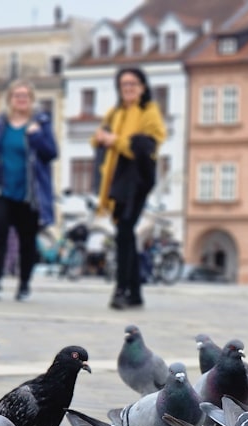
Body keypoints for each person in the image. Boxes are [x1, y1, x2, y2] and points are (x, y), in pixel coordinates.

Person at [0, 79, 58, 302]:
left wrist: (37, 136)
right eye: (17, 95)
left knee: (26, 241)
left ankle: (24, 285)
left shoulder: (41, 123)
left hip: (30, 193)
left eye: (25, 96)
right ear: (10, 99)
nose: (21, 99)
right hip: (2, 189)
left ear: (31, 100)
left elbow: (51, 154)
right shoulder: (1, 125)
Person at [93, 66, 166, 310]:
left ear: (142, 87)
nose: (128, 88)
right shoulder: (115, 112)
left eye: (133, 84)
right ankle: (135, 293)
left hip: (137, 180)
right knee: (124, 234)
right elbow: (98, 137)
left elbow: (149, 144)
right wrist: (102, 138)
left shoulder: (149, 111)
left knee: (124, 231)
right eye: (124, 84)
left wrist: (117, 141)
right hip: (115, 179)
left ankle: (121, 288)